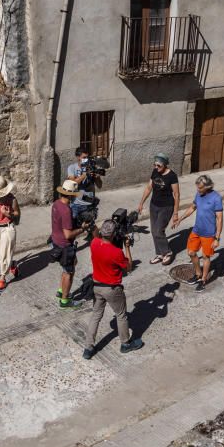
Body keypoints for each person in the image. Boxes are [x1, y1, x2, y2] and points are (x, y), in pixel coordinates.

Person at [84, 220, 144, 359]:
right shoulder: (116, 252)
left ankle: (88, 347)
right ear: (113, 234)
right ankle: (125, 343)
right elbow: (128, 267)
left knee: (96, 315)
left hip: (97, 286)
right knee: (121, 315)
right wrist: (127, 247)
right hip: (112, 289)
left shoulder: (94, 243)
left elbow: (96, 234)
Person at [172, 175, 223, 293]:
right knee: (191, 252)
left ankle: (203, 280)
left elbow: (219, 219)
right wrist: (180, 219)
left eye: (200, 188)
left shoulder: (216, 198)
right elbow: (192, 207)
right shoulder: (199, 194)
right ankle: (198, 273)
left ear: (207, 186)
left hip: (209, 234)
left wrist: (217, 238)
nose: (198, 190)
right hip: (196, 230)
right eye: (197, 188)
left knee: (206, 256)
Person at [137, 153, 180, 265]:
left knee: (158, 231)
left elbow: (176, 194)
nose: (156, 167)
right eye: (155, 165)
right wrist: (141, 202)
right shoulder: (155, 172)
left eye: (158, 165)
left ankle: (167, 252)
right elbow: (148, 187)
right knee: (153, 231)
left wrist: (175, 213)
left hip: (166, 207)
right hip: (154, 205)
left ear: (165, 165)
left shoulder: (172, 176)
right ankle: (160, 253)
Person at [52, 179, 88, 309]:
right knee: (69, 272)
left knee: (69, 265)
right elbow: (68, 234)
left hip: (56, 241)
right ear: (72, 195)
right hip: (65, 245)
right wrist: (82, 228)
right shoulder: (66, 210)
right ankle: (65, 301)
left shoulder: (56, 204)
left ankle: (62, 290)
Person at [66, 146, 102, 221]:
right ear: (78, 157)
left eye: (87, 157)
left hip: (89, 205)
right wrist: (85, 174)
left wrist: (97, 177)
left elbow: (99, 186)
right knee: (74, 228)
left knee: (89, 228)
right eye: (84, 157)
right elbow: (72, 185)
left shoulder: (91, 167)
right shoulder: (72, 168)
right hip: (76, 204)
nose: (86, 159)